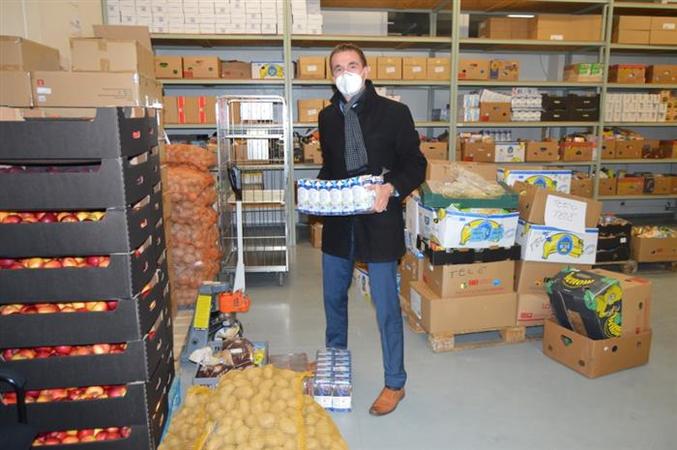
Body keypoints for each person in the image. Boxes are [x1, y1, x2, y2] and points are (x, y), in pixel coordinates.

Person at [317, 43, 427, 416]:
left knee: (385, 306)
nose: (345, 73)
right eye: (337, 68)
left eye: (352, 65)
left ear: (365, 71)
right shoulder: (327, 118)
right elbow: (331, 167)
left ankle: (395, 383)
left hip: (379, 221)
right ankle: (335, 368)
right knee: (333, 299)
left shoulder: (394, 113)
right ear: (332, 76)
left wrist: (390, 187)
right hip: (339, 223)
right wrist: (315, 193)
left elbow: (415, 164)